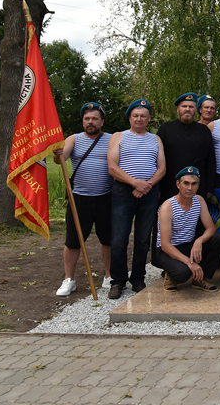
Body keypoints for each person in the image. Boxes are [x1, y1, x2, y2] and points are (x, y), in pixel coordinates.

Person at [106, 99, 166, 299]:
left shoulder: (155, 139)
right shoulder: (118, 137)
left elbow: (162, 168)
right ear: (130, 118)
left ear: (148, 119)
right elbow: (112, 167)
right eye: (135, 115)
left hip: (148, 193)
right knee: (119, 239)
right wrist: (135, 183)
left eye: (143, 116)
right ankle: (118, 281)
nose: (139, 119)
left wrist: (146, 185)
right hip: (124, 192)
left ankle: (138, 278)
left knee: (143, 238)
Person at [53, 102, 113, 296]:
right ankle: (69, 279)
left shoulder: (112, 140)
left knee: (108, 239)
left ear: (102, 121)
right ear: (83, 121)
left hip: (106, 198)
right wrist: (58, 154)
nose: (90, 122)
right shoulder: (74, 139)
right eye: (87, 118)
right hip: (79, 199)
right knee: (73, 241)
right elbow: (62, 157)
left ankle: (108, 276)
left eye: (95, 118)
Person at [154, 166, 220, 292]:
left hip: (189, 244)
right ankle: (170, 274)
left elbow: (211, 229)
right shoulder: (168, 207)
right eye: (186, 183)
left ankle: (200, 278)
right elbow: (165, 245)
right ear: (178, 184)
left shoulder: (199, 200)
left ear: (198, 186)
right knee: (182, 274)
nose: (190, 188)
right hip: (169, 249)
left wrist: (199, 241)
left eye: (194, 184)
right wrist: (190, 263)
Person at [157, 93, 216, 202]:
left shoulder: (203, 131)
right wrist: (158, 188)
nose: (187, 109)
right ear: (178, 109)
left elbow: (210, 161)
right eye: (184, 106)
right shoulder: (166, 129)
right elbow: (157, 160)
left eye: (191, 107)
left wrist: (209, 188)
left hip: (197, 185)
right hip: (169, 184)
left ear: (196, 110)